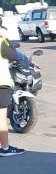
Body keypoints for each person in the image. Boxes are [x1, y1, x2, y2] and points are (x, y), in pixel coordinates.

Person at [0, 22, 25, 156]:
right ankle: (4, 148)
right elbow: (14, 56)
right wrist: (4, 38)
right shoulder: (2, 41)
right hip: (1, 83)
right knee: (1, 118)